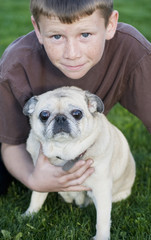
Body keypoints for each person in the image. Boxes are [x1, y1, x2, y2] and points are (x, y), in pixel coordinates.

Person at [0, 0, 151, 195]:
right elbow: (10, 144)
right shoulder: (16, 66)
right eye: (56, 36)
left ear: (110, 25)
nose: (72, 53)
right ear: (37, 30)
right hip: (28, 142)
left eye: (85, 34)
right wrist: (32, 178)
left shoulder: (130, 50)